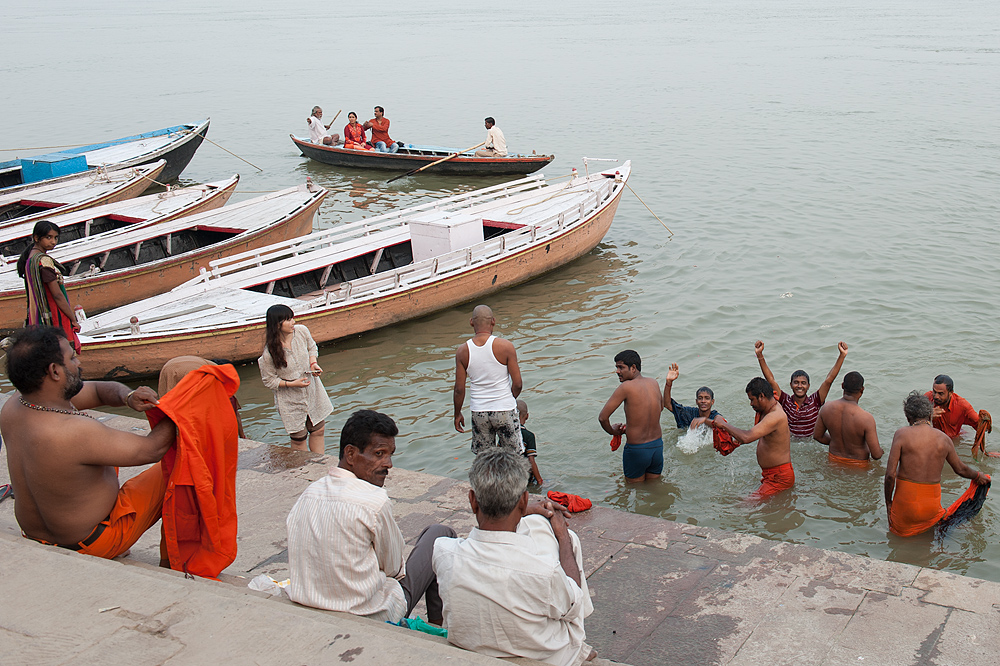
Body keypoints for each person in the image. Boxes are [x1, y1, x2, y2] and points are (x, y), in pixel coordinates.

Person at [0, 326, 174, 561]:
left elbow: (97, 391)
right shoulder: (75, 432)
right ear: (54, 371)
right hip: (92, 544)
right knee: (180, 464)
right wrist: (182, 407)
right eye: (72, 358)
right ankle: (179, 560)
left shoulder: (14, 406)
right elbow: (153, 449)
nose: (79, 362)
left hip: (35, 535)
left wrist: (128, 397)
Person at [286, 410, 456, 623]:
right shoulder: (374, 501)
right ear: (350, 454)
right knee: (439, 535)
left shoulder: (310, 493)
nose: (388, 464)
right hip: (366, 612)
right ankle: (438, 630)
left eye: (390, 455)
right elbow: (394, 569)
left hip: (309, 599)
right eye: (379, 454)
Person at [432, 449, 596, 665]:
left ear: (472, 500)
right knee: (568, 545)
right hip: (546, 656)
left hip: (472, 644)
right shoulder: (546, 572)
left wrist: (525, 509)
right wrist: (563, 536)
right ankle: (580, 649)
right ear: (523, 500)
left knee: (535, 525)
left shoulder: (443, 551)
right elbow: (574, 602)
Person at [884, 391, 990, 537]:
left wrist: (889, 503)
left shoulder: (901, 434)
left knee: (899, 540)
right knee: (927, 543)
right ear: (930, 415)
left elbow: (890, 475)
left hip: (905, 508)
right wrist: (979, 476)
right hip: (930, 509)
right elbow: (961, 469)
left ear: (908, 417)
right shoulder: (944, 439)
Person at [258, 305, 333, 453]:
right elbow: (269, 380)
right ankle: (303, 472)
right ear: (277, 324)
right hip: (290, 398)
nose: (293, 322)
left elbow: (312, 347)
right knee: (299, 438)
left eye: (292, 318)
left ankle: (319, 465)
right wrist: (291, 384)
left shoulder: (302, 331)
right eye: (287, 320)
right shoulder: (269, 352)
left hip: (312, 390)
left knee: (318, 429)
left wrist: (313, 363)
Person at [453, 305, 524, 453]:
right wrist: (509, 398)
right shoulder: (505, 346)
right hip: (504, 408)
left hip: (479, 410)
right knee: (513, 458)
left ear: (471, 322)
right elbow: (517, 384)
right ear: (493, 321)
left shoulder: (463, 351)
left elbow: (459, 389)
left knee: (484, 459)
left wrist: (457, 413)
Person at [711, 377, 794, 498]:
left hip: (779, 478)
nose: (751, 404)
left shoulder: (775, 416)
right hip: (770, 474)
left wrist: (723, 424)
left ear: (761, 396)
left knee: (744, 509)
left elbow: (747, 437)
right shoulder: (769, 406)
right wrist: (734, 442)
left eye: (752, 400)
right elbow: (752, 435)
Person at [755, 339, 848, 439]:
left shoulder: (815, 401)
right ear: (791, 385)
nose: (799, 386)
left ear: (808, 386)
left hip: (812, 441)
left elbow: (829, 380)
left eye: (803, 383)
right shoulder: (786, 401)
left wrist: (842, 355)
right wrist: (760, 355)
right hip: (791, 441)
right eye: (796, 383)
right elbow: (771, 380)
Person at [598, 350, 664, 483]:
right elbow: (660, 408)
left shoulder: (626, 387)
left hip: (637, 450)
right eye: (616, 367)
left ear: (633, 368)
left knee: (634, 490)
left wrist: (613, 431)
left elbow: (603, 418)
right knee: (654, 489)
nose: (617, 371)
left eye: (621, 367)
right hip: (657, 447)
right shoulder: (654, 383)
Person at [16, 220, 82, 353]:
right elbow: (57, 295)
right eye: (49, 237)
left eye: (56, 238)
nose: (53, 242)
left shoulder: (31, 259)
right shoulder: (43, 261)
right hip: (54, 315)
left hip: (38, 315)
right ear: (36, 238)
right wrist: (73, 319)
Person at [159, 356, 245, 439]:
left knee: (171, 407)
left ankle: (173, 438)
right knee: (199, 410)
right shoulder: (221, 374)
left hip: (168, 367)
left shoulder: (204, 363)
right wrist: (242, 436)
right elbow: (234, 411)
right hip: (190, 371)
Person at [813, 371, 883, 465]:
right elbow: (876, 455)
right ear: (862, 389)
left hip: (833, 461)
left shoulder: (826, 408)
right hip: (859, 465)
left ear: (842, 386)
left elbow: (817, 436)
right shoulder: (866, 418)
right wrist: (882, 451)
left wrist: (836, 441)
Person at [924, 374, 990, 443]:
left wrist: (986, 421)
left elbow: (983, 428)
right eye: (934, 392)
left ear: (950, 393)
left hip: (953, 441)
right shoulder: (927, 399)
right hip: (934, 439)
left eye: (941, 393)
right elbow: (913, 420)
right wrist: (928, 415)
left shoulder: (963, 407)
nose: (936, 396)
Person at [662, 363, 721, 429]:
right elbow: (667, 404)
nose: (703, 401)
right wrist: (669, 382)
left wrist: (705, 420)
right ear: (696, 401)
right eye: (700, 398)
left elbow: (722, 425)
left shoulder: (715, 416)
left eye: (707, 398)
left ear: (712, 401)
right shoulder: (689, 413)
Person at [516, 399, 543, 485]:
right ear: (527, 416)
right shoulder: (529, 436)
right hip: (523, 477)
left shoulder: (505, 433)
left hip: (507, 474)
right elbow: (531, 461)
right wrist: (540, 481)